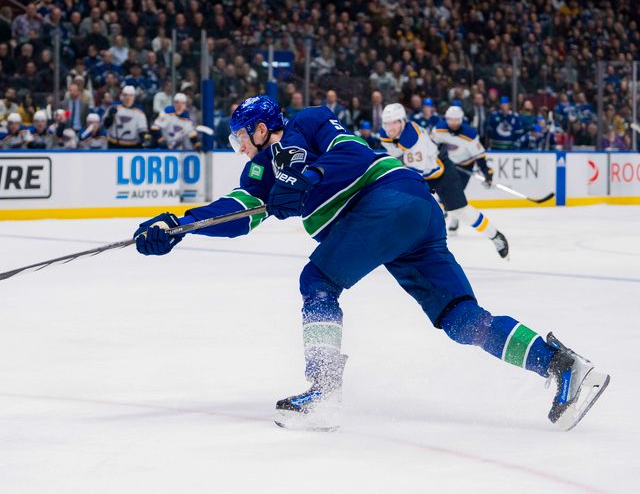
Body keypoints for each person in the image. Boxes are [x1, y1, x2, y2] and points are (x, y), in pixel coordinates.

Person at [132, 95, 609, 432]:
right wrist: (180, 224)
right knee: (462, 319)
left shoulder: (311, 121)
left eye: (241, 137)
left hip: (388, 198)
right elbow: (236, 215)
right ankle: (562, 366)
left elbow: (351, 154)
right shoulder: (258, 174)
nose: (240, 148)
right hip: (410, 218)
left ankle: (322, 396)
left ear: (260, 127)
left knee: (317, 279)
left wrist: (310, 178)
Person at [379, 103, 508, 257]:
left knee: (460, 211)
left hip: (441, 173)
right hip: (421, 171)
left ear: (402, 121)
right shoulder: (385, 134)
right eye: (386, 123)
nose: (389, 128)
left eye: (394, 122)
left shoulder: (414, 139)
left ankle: (495, 236)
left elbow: (414, 178)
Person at [431, 105, 494, 233]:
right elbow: (431, 145)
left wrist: (487, 173)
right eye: (451, 119)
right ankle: (447, 211)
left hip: (465, 165)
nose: (453, 123)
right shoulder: (439, 129)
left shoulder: (470, 134)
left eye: (456, 120)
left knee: (454, 193)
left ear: (461, 119)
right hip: (446, 164)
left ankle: (454, 219)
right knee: (442, 190)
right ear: (446, 119)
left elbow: (480, 156)